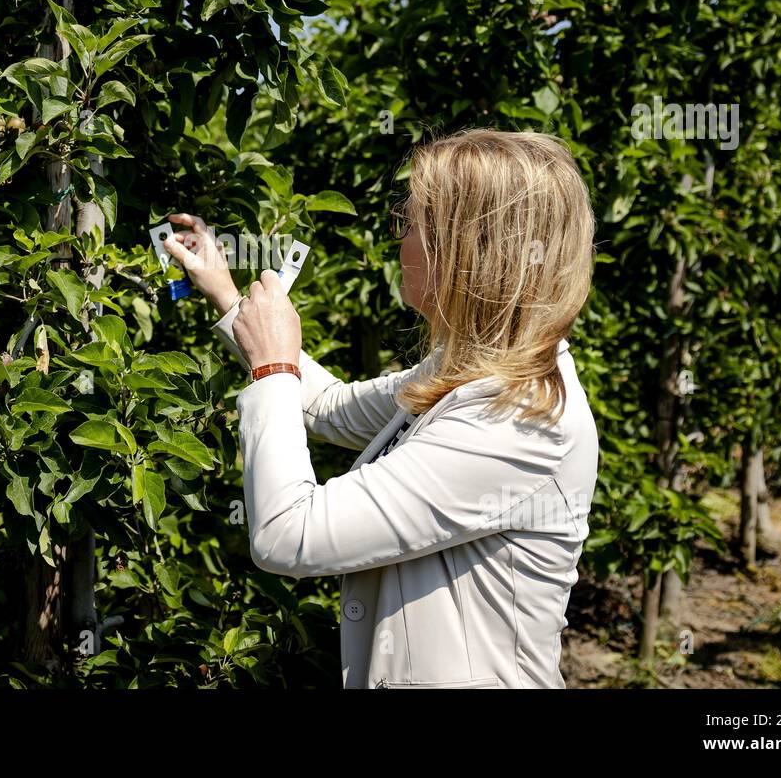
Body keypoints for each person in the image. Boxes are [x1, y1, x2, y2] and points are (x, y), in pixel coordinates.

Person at [161, 128, 599, 688]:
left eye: (412, 223)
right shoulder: (471, 369)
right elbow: (328, 407)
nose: (401, 241)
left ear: (467, 248)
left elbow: (290, 535)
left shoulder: (518, 418)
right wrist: (228, 297)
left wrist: (273, 366)